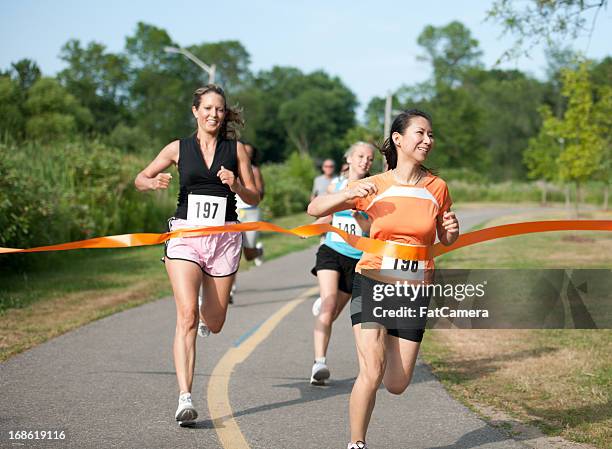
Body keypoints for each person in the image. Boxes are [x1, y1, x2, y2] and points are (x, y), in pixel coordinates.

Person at [307, 110, 459, 449]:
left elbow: (444, 238)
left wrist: (451, 233)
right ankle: (356, 442)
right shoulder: (375, 185)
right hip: (373, 278)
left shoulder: (438, 188)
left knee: (397, 382)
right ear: (398, 140)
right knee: (372, 370)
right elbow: (315, 210)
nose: (428, 140)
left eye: (431, 135)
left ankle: (388, 335)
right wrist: (349, 193)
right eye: (421, 133)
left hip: (415, 287)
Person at [134, 84, 260, 426]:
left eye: (219, 109)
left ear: (224, 113)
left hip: (224, 239)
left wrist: (236, 185)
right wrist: (152, 182)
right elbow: (140, 178)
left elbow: (255, 197)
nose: (213, 114)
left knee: (214, 323)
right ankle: (185, 398)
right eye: (207, 108)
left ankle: (209, 318)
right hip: (186, 237)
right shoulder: (178, 148)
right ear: (195, 111)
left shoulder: (236, 151)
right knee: (186, 314)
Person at [309, 142, 374, 386]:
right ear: (349, 158)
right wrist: (310, 230)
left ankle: (327, 302)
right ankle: (319, 363)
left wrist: (361, 219)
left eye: (369, 158)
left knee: (334, 311)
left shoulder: (375, 190)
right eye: (360, 156)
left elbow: (373, 231)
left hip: (356, 259)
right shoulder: (335, 185)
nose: (365, 161)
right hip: (331, 251)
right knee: (328, 306)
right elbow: (324, 214)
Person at [236, 143, 265, 266]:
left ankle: (259, 251)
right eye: (244, 151)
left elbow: (260, 194)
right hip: (233, 211)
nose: (246, 154)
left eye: (249, 152)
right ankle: (231, 285)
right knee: (232, 251)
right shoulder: (229, 168)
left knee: (248, 255)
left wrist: (244, 187)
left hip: (250, 211)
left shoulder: (254, 170)